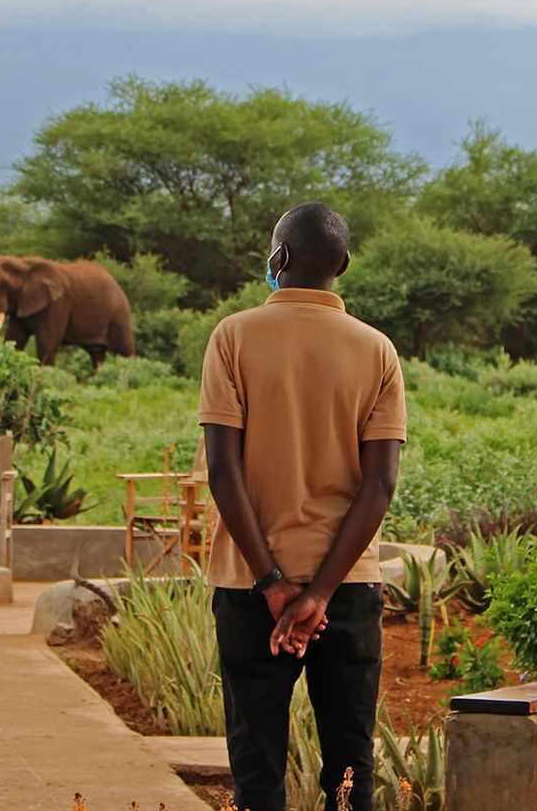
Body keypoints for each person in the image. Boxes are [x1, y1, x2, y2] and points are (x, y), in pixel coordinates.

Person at [198, 202, 406, 811]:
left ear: (278, 258)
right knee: (349, 766)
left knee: (256, 769)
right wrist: (318, 595)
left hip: (248, 586)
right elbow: (380, 486)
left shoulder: (233, 337)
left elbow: (221, 469)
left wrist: (272, 585)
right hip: (346, 588)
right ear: (342, 264)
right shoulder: (377, 350)